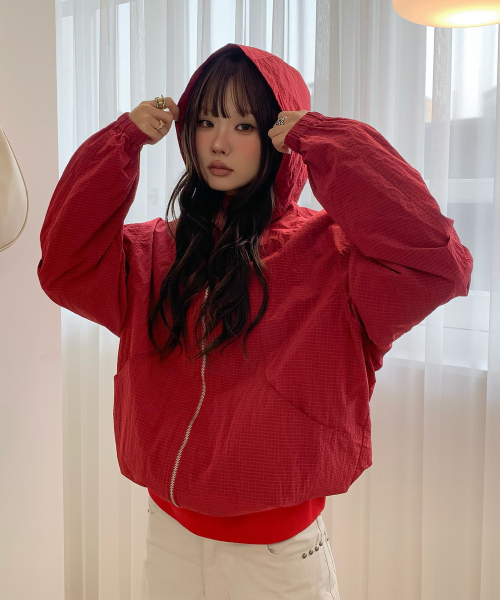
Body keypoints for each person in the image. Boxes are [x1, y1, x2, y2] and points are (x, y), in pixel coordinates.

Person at [37, 43, 473, 600]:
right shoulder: (155, 251)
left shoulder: (334, 255)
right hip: (169, 536)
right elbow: (66, 264)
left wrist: (325, 139)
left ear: (278, 135)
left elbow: (437, 262)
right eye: (206, 121)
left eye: (244, 125)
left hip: (275, 559)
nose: (219, 142)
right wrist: (120, 143)